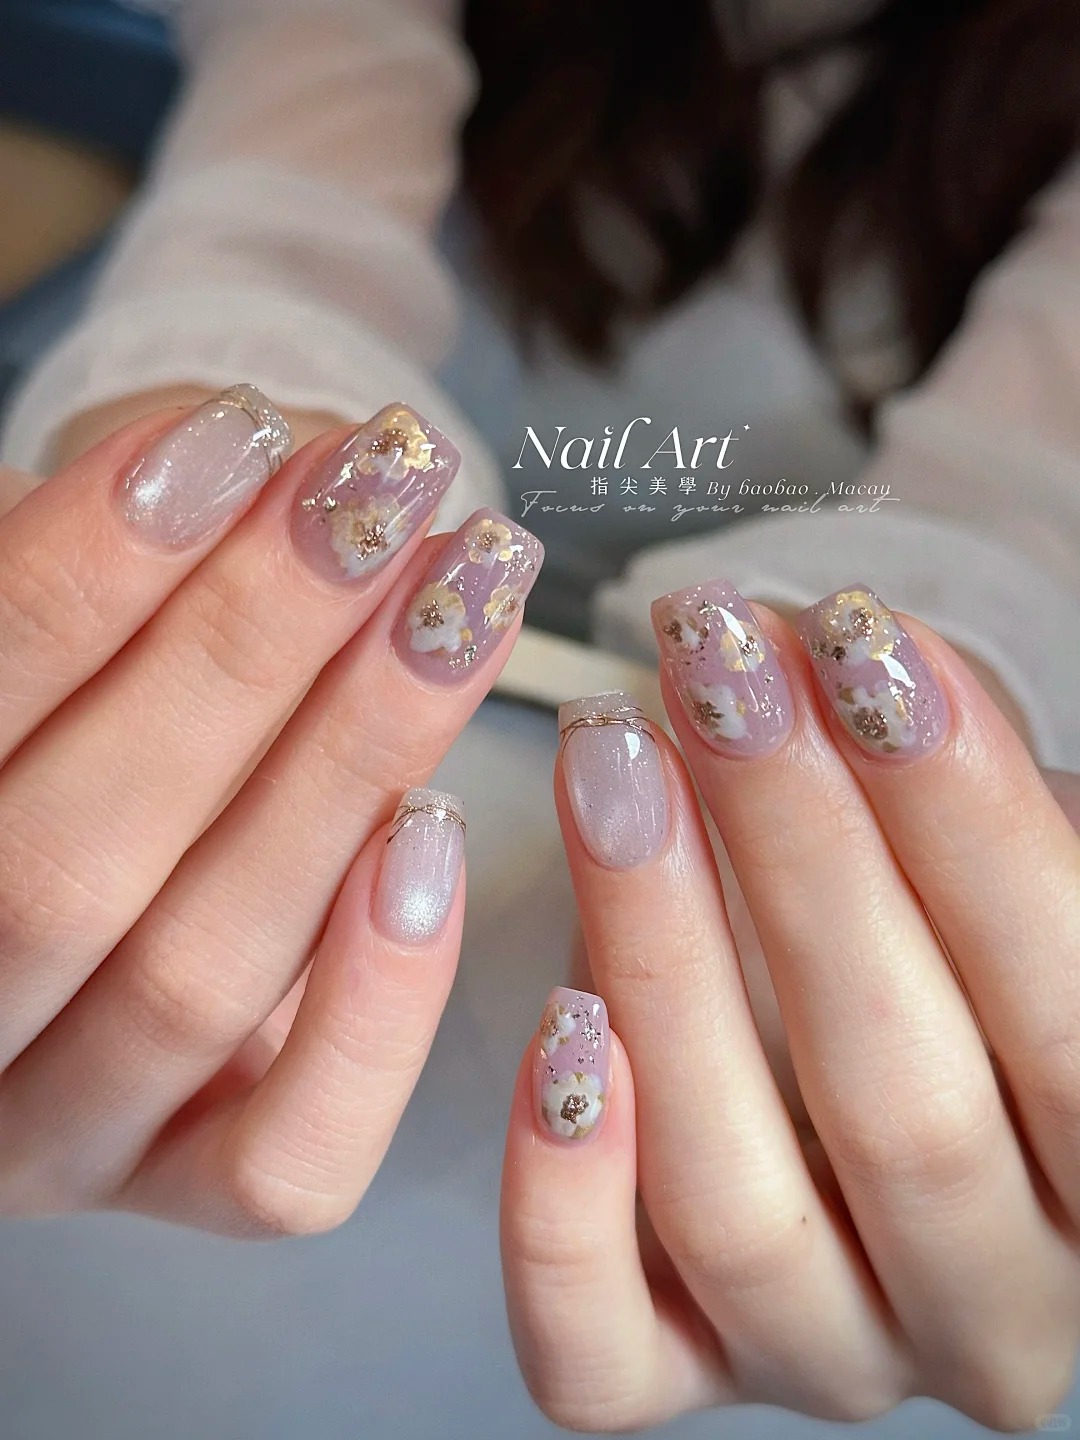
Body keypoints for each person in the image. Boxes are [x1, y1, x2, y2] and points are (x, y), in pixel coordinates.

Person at [0, 1, 1078, 1434]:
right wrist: (224, 510)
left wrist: (907, 718)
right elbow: (290, 180)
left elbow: (1027, 478)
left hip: (623, 1098)